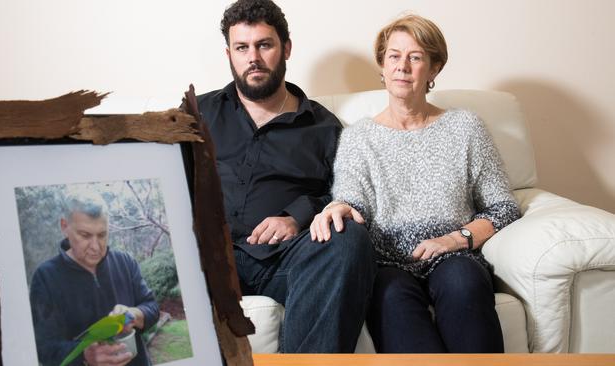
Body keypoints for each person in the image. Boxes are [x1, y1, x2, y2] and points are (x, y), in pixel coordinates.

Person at [310, 14, 521, 353]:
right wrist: (339, 207)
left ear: (434, 69)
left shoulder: (465, 128)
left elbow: (503, 206)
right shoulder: (358, 137)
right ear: (382, 66)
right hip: (385, 265)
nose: (402, 66)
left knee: (463, 283)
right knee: (390, 298)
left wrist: (457, 238)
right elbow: (351, 199)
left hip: (453, 258)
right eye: (394, 56)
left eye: (416, 57)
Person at [194, 0, 375, 353]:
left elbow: (347, 196)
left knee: (349, 238)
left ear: (286, 48)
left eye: (264, 45)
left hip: (280, 262)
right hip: (206, 261)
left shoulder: (323, 127)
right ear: (228, 53)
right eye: (241, 48)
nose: (253, 58)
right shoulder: (197, 114)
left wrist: (297, 216)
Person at [29, 189, 159, 365]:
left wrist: (134, 315)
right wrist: (85, 356)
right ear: (64, 226)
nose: (96, 247)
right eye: (85, 235)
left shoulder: (125, 262)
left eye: (102, 235)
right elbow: (43, 349)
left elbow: (152, 307)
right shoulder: (45, 278)